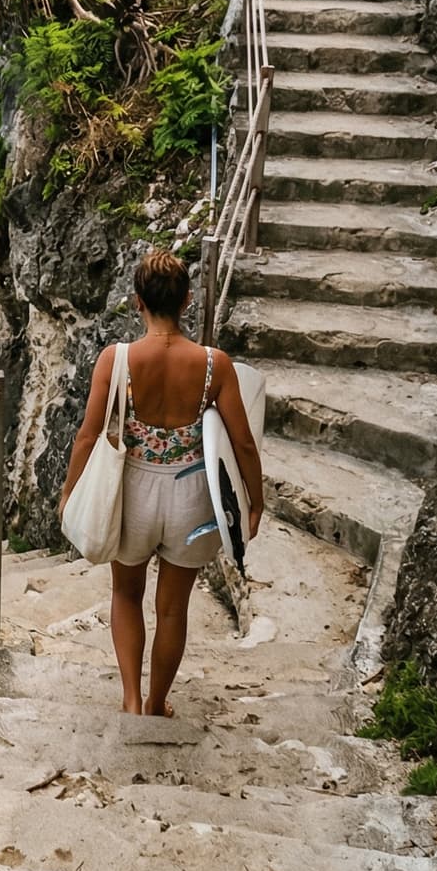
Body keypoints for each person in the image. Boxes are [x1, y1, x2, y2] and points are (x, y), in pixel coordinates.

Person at [60, 249, 264, 717]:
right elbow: (244, 443)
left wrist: (70, 492)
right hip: (192, 495)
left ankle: (131, 699)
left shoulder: (118, 360)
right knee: (173, 609)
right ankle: (156, 702)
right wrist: (255, 501)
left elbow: (88, 435)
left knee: (126, 594)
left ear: (137, 302)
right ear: (188, 300)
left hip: (134, 492)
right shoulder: (215, 364)